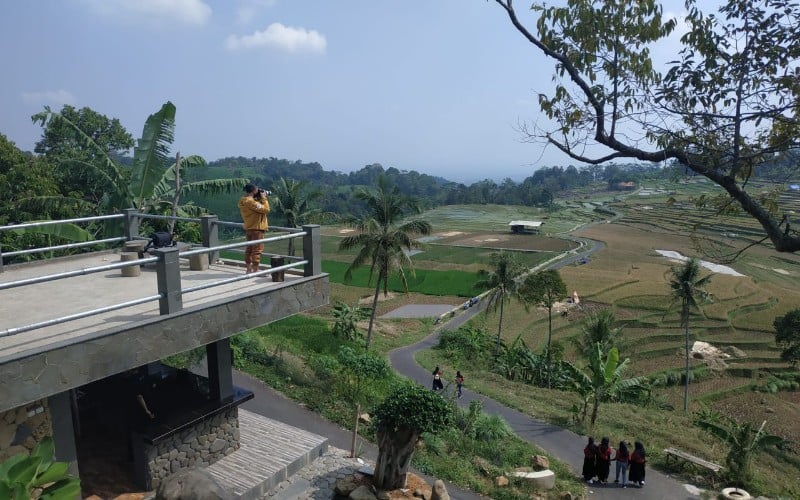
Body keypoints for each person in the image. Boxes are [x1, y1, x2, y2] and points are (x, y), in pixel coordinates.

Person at [238, 184, 270, 274]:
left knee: (249, 249)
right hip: (257, 228)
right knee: (257, 249)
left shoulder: (244, 201)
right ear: (253, 191)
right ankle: (256, 270)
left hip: (249, 227)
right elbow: (266, 209)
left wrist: (259, 199)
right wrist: (264, 198)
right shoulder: (251, 202)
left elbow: (256, 207)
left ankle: (248, 269)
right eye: (257, 190)